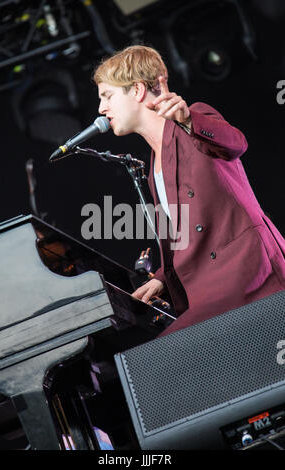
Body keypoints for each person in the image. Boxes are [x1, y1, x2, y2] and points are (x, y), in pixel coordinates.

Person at [93, 45, 285, 337]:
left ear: (137, 91)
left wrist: (189, 121)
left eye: (107, 96)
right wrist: (162, 279)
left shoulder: (192, 120)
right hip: (210, 290)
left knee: (161, 360)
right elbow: (187, 239)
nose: (101, 109)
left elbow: (236, 143)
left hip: (246, 276)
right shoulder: (154, 161)